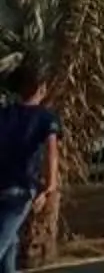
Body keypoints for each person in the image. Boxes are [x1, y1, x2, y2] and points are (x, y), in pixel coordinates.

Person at [0, 59, 59, 273]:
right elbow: (52, 154)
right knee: (3, 242)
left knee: (9, 243)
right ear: (41, 88)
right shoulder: (46, 117)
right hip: (22, 188)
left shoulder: (4, 114)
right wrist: (50, 187)